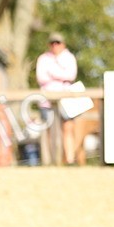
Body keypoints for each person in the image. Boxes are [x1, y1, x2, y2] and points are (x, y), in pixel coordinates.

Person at [35, 32, 78, 164]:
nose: (55, 45)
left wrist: (52, 73)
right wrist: (62, 75)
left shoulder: (69, 57)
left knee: (68, 128)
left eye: (57, 43)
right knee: (48, 130)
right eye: (52, 43)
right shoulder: (43, 58)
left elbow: (71, 75)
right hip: (46, 101)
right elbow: (41, 78)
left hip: (66, 99)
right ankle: (49, 160)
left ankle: (69, 159)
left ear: (63, 44)